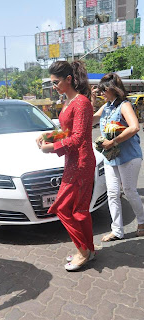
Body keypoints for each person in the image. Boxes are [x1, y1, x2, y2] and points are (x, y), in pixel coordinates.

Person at [36, 60, 96, 272]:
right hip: (73, 161)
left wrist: (51, 147)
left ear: (69, 79)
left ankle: (83, 251)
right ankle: (89, 249)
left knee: (62, 208)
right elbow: (68, 132)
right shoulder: (68, 102)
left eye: (56, 82)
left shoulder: (81, 103)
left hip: (81, 163)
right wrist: (49, 134)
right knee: (80, 211)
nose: (54, 86)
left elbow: (79, 138)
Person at [92, 73, 144, 241]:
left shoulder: (124, 105)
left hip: (128, 156)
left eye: (103, 90)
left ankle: (142, 222)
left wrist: (113, 141)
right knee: (112, 194)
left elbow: (135, 127)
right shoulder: (106, 106)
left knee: (129, 191)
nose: (101, 93)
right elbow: (91, 119)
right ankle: (117, 230)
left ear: (112, 89)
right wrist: (92, 100)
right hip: (110, 157)